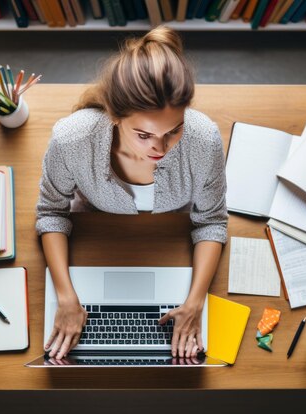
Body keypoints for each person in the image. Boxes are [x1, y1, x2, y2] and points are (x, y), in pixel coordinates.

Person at [36, 26, 227, 361]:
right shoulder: (72, 139)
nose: (161, 148)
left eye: (174, 130)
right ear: (114, 115)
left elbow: (211, 221)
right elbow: (52, 212)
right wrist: (66, 297)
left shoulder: (204, 138)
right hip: (97, 237)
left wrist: (196, 302)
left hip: (169, 241)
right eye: (143, 134)